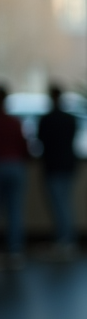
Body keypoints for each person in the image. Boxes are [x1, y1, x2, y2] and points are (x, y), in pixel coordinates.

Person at [37, 85, 78, 257]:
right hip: (68, 165)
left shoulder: (47, 120)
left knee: (59, 204)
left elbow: (40, 140)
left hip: (53, 166)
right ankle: (66, 238)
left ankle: (65, 240)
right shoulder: (69, 119)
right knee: (64, 203)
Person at [0, 85, 31, 269]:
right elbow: (24, 146)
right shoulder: (14, 122)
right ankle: (15, 250)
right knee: (15, 210)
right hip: (15, 167)